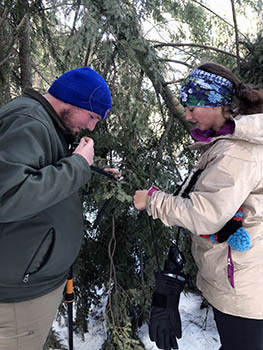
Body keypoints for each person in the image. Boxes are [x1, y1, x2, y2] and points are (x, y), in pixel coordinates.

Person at [134, 62, 263, 350]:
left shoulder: (237, 151)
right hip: (246, 277)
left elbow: (206, 216)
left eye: (193, 106)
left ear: (219, 104)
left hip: (244, 289)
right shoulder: (236, 141)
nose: (188, 115)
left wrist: (153, 199)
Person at [0, 66, 118, 350]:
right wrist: (77, 166)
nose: (91, 127)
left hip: (27, 282)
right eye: (92, 117)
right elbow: (9, 196)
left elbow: (36, 174)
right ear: (73, 101)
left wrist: (89, 166)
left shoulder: (44, 122)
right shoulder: (29, 122)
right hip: (17, 294)